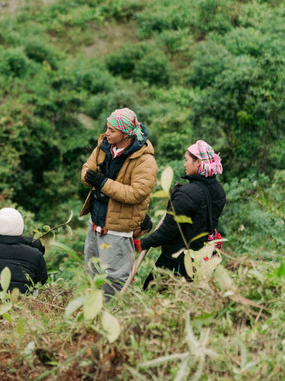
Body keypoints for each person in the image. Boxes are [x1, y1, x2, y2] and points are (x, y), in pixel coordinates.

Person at [80, 107, 157, 296]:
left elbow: (136, 193)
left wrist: (103, 183)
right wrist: (88, 177)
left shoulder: (145, 160)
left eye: (112, 130)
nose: (107, 133)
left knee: (115, 278)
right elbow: (87, 168)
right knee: (92, 270)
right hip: (96, 220)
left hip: (118, 227)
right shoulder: (104, 146)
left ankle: (116, 314)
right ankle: (95, 313)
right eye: (107, 128)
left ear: (125, 135)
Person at [140, 140, 226, 285]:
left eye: (187, 160)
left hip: (177, 257)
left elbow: (169, 230)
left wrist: (145, 243)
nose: (184, 164)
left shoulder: (187, 193)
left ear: (198, 162)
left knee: (152, 289)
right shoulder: (219, 191)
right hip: (201, 257)